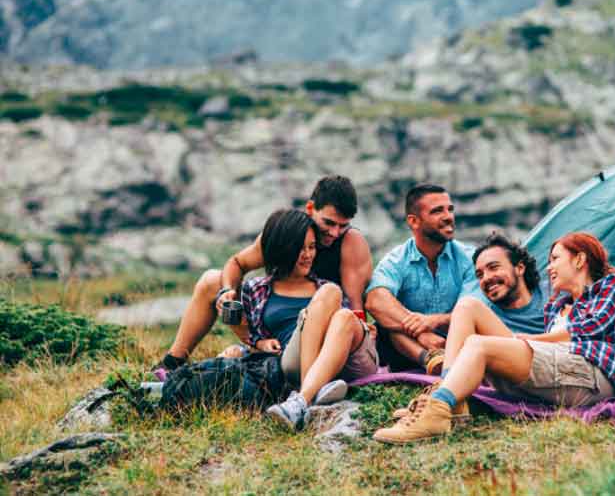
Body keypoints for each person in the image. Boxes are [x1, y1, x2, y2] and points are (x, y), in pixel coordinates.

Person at [373, 232, 615, 443]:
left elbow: (589, 329)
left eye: (556, 259)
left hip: (593, 377)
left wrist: (529, 340)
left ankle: (438, 408)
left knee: (478, 345)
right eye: (480, 274)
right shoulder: (557, 305)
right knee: (467, 306)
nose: (550, 267)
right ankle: (447, 398)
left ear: (579, 260)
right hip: (563, 370)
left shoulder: (611, 284)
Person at [152, 176, 372, 375]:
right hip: (274, 321)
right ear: (310, 208)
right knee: (211, 280)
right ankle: (173, 362)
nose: (334, 233)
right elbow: (237, 263)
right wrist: (227, 291)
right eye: (329, 223)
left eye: (342, 226)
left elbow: (355, 305)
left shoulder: (351, 242)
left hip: (322, 326)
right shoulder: (285, 231)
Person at [209, 209, 377, 430]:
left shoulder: (322, 287)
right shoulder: (256, 289)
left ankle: (302, 398)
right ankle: (306, 397)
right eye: (301, 248)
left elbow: (343, 328)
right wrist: (252, 346)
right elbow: (252, 336)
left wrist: (363, 325)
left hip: (341, 356)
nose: (308, 255)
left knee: (338, 306)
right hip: (292, 359)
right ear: (284, 248)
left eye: (312, 247)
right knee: (332, 296)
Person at [364, 184, 478, 374]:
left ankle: (445, 362)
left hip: (460, 341)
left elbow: (478, 310)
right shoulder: (396, 260)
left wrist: (432, 321)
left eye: (450, 209)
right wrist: (422, 333)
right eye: (437, 211)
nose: (448, 216)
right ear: (414, 221)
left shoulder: (470, 258)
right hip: (411, 349)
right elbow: (375, 300)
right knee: (388, 324)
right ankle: (431, 362)